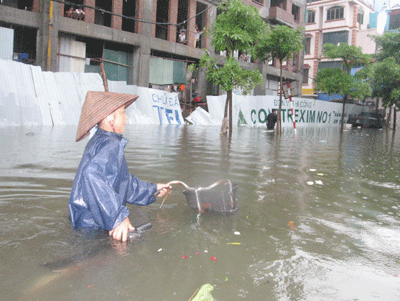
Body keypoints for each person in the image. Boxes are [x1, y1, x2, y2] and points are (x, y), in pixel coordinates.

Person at [69, 91, 171, 242]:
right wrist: (118, 218)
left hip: (85, 221)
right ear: (110, 118)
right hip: (94, 226)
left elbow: (121, 181)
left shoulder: (100, 139)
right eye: (122, 113)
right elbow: (91, 175)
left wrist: (152, 188)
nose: (126, 118)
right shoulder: (111, 144)